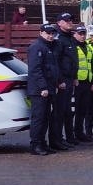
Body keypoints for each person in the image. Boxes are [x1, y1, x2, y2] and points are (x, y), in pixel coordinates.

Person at [26, 24, 60, 155]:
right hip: (39, 90)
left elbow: (51, 69)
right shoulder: (36, 47)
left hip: (48, 88)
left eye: (52, 33)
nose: (50, 36)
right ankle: (35, 145)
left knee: (45, 118)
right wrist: (43, 87)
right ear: (41, 33)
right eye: (48, 33)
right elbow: (35, 70)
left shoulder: (47, 47)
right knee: (38, 118)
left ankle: (42, 144)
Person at [51, 13, 79, 148]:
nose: (70, 22)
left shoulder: (70, 38)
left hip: (70, 79)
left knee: (68, 110)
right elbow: (56, 62)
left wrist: (74, 77)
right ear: (59, 23)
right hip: (62, 81)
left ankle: (67, 137)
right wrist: (59, 80)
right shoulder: (58, 39)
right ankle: (57, 140)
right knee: (59, 111)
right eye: (66, 21)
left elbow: (72, 59)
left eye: (71, 20)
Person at [70, 26, 93, 143]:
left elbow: (92, 65)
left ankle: (80, 132)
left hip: (87, 83)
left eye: (84, 33)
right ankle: (72, 134)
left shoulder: (88, 47)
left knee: (83, 109)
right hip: (76, 83)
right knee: (74, 110)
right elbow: (70, 65)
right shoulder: (72, 47)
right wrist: (73, 78)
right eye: (80, 34)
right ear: (75, 34)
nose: (83, 36)